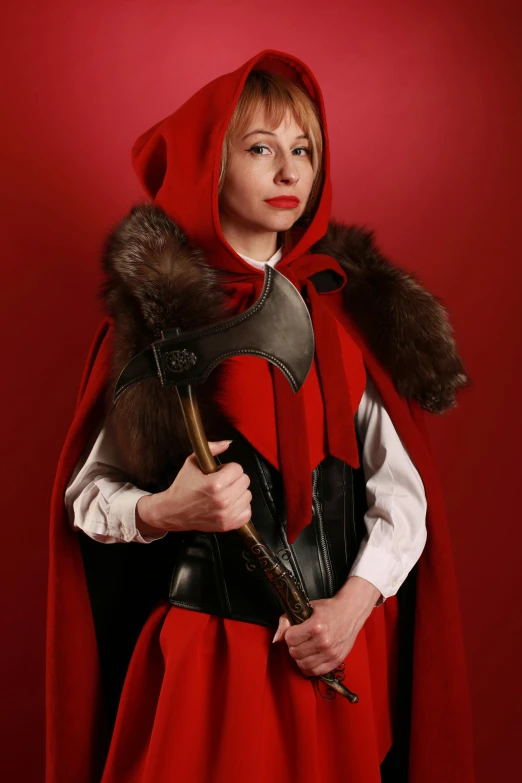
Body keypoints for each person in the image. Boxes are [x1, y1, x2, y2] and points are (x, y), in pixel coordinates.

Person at [46, 49, 476, 783]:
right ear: (211, 165)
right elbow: (89, 496)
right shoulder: (158, 331)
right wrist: (166, 507)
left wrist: (351, 608)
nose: (289, 172)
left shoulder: (342, 315)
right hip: (206, 658)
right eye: (260, 148)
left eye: (303, 149)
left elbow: (402, 493)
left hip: (329, 643)